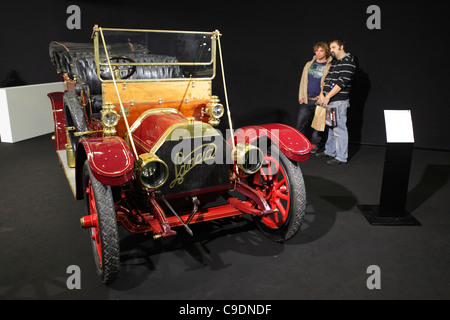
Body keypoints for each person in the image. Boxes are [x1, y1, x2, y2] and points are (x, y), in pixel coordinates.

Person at [316, 39, 356, 165]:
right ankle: (330, 151)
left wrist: (328, 96)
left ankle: (341, 157)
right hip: (329, 100)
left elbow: (341, 83)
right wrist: (322, 94)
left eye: (333, 47)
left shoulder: (349, 62)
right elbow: (326, 79)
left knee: (339, 128)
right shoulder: (334, 63)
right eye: (330, 47)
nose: (331, 50)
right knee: (331, 127)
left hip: (338, 101)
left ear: (341, 47)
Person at [296, 42, 333, 153]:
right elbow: (303, 80)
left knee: (319, 125)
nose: (318, 53)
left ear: (326, 52)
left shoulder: (330, 66)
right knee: (300, 123)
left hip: (320, 100)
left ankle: (315, 144)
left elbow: (331, 83)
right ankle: (298, 144)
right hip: (307, 99)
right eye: (316, 51)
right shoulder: (309, 64)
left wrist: (324, 96)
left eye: (321, 50)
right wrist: (301, 96)